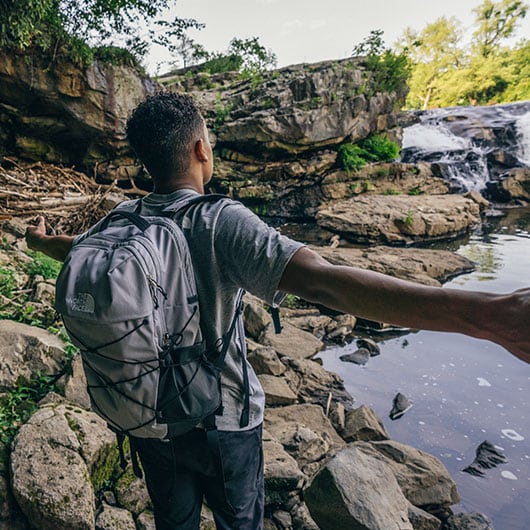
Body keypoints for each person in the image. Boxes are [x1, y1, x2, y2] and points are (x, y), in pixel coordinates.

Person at [26, 92, 530, 530]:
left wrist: (40, 240)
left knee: (173, 520)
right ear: (201, 150)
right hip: (224, 420)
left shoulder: (122, 216)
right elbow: (322, 281)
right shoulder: (220, 219)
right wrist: (486, 315)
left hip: (148, 413)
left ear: (145, 160)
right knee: (240, 519)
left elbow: (77, 253)